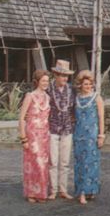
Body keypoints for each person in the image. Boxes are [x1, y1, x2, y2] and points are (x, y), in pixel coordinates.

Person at [72, 70, 105, 205]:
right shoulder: (77, 98)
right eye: (85, 84)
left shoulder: (97, 98)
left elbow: (101, 118)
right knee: (80, 164)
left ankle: (90, 190)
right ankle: (81, 192)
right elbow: (74, 117)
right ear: (80, 85)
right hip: (79, 135)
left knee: (91, 163)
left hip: (92, 136)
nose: (88, 86)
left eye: (90, 84)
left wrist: (101, 135)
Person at [18, 70, 51, 203]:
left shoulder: (48, 97)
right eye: (43, 81)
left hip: (44, 135)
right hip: (32, 135)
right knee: (33, 164)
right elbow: (21, 118)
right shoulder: (30, 96)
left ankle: (41, 193)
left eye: (47, 81)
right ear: (37, 81)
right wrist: (23, 138)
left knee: (43, 165)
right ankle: (31, 193)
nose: (46, 83)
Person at [47, 59, 76, 200]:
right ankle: (53, 190)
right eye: (62, 75)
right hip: (52, 128)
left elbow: (74, 109)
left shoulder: (71, 89)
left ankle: (63, 190)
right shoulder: (48, 88)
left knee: (64, 162)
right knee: (53, 161)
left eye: (66, 76)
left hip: (67, 129)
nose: (64, 78)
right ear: (56, 75)